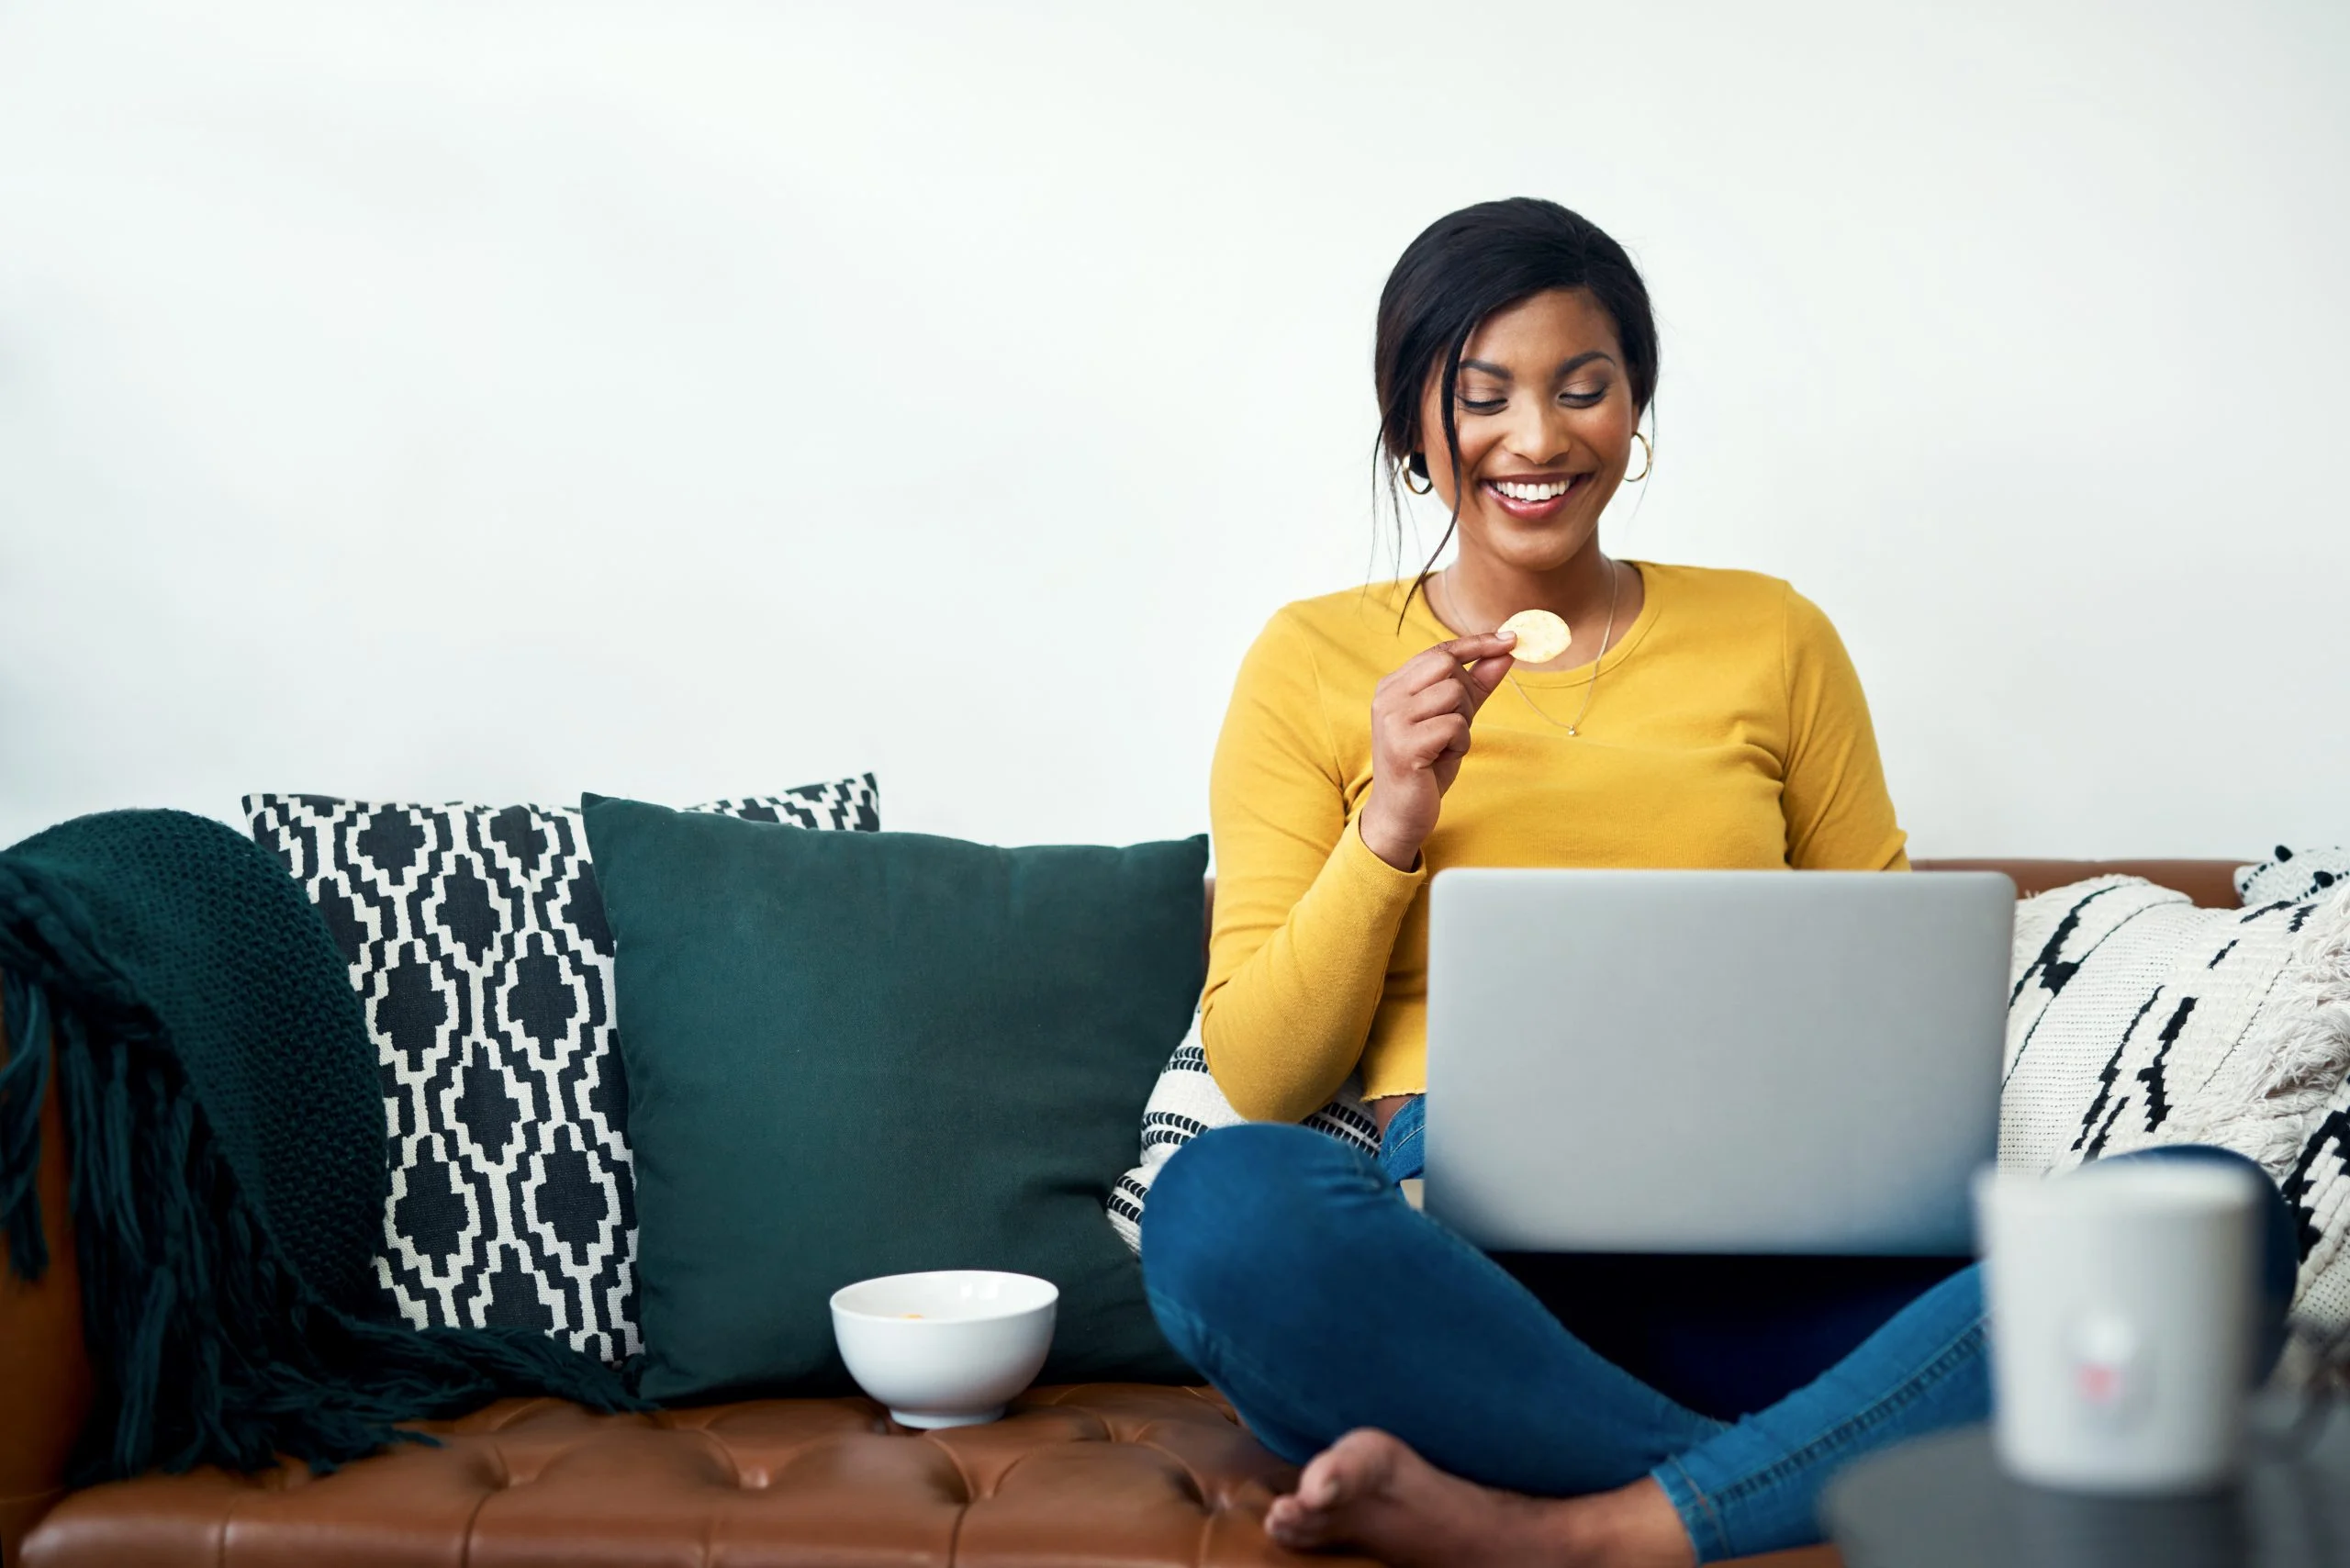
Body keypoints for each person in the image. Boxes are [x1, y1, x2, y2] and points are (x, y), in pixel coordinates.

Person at [1136, 197, 2297, 1566]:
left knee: (2219, 1217)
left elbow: (1891, 979)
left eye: (1585, 387)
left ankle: (1593, 1529)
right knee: (1220, 1212)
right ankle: (1765, 1476)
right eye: (1485, 395)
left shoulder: (1774, 634)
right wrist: (1390, 821)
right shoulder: (1311, 662)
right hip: (1473, 1281)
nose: (1539, 438)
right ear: (1413, 426)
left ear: (1635, 408)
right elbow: (1266, 1078)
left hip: (1790, 1261)